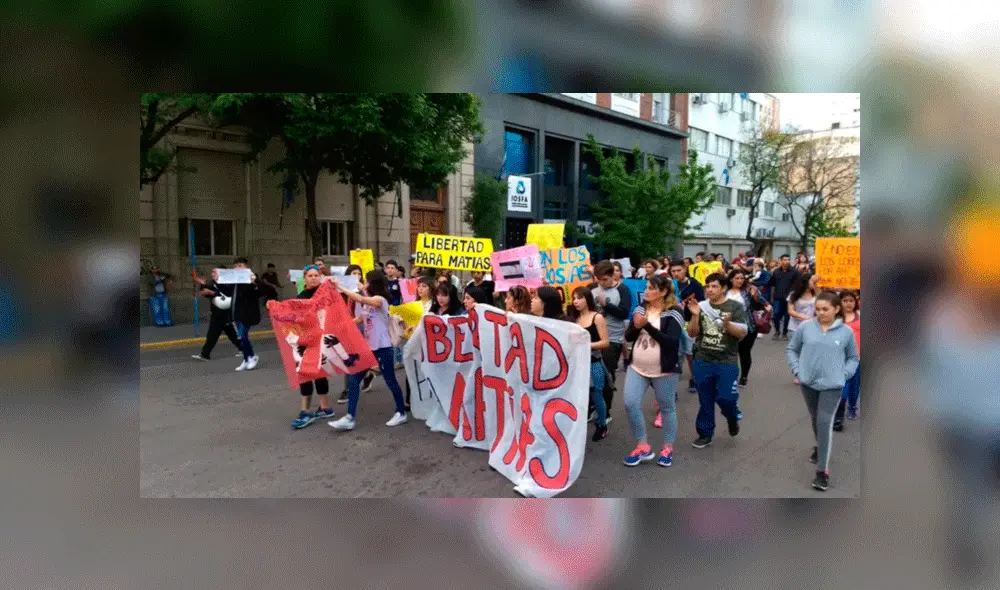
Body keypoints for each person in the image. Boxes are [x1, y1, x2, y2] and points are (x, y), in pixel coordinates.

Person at [786, 291, 859, 492]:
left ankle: (822, 472)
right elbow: (792, 349)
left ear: (837, 309)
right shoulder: (805, 327)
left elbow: (853, 357)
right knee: (814, 417)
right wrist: (797, 370)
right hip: (808, 383)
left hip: (832, 386)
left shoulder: (845, 332)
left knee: (824, 422)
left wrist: (844, 374)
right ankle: (820, 447)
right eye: (817, 309)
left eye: (825, 309)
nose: (820, 313)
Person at [329, 269, 409, 431]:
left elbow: (358, 297)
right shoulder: (367, 304)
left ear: (373, 284)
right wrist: (338, 327)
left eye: (366, 281)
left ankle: (401, 412)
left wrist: (340, 287)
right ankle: (350, 417)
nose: (364, 284)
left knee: (390, 380)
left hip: (383, 348)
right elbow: (358, 319)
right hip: (368, 349)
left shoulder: (380, 300)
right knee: (353, 379)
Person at [622, 274, 685, 468]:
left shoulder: (674, 311)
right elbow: (630, 336)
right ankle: (643, 446)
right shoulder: (641, 308)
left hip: (664, 370)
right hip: (638, 366)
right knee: (630, 403)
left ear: (663, 291)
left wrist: (646, 325)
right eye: (647, 287)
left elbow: (672, 342)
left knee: (667, 408)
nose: (647, 291)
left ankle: (668, 448)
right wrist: (635, 325)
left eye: (651, 288)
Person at [686, 273, 747, 449]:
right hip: (703, 359)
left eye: (714, 286)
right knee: (705, 399)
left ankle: (732, 417)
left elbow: (741, 333)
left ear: (724, 288)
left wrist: (727, 324)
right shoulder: (701, 306)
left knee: (726, 397)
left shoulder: (735, 307)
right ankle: (705, 433)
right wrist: (696, 316)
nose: (710, 290)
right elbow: (692, 333)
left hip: (726, 360)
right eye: (707, 287)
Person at [287, 266, 337, 429]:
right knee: (305, 373)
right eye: (310, 275)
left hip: (322, 338)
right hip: (307, 340)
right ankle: (305, 410)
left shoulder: (326, 293)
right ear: (305, 278)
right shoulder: (301, 297)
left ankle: (324, 408)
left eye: (317, 275)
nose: (314, 278)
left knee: (320, 373)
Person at [566, 287, 610, 442]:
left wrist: (586, 345)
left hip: (593, 363)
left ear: (588, 299)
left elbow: (605, 342)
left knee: (596, 394)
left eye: (579, 298)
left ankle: (602, 424)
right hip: (575, 364)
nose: (576, 301)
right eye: (574, 298)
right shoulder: (572, 318)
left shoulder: (597, 317)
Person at [590, 261, 631, 422]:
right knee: (591, 375)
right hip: (592, 338)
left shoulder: (622, 289)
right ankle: (594, 406)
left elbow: (623, 313)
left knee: (606, 375)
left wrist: (606, 304)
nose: (601, 282)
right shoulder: (592, 288)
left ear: (613, 275)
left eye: (605, 279)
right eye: (598, 279)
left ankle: (606, 411)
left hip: (612, 339)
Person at [726, 269, 772, 388]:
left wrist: (760, 301)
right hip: (728, 327)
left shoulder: (749, 290)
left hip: (748, 326)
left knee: (744, 353)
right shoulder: (725, 291)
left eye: (742, 278)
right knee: (731, 353)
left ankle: (744, 377)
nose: (740, 281)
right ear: (731, 279)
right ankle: (732, 376)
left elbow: (764, 303)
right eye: (737, 278)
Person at [337, 264, 374, 403]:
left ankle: (348, 389)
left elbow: (369, 303)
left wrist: (362, 289)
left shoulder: (365, 289)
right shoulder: (341, 290)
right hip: (346, 327)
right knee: (348, 357)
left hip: (362, 326)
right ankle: (366, 375)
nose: (356, 276)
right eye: (353, 273)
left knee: (354, 357)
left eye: (359, 273)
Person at [191, 269, 243, 361]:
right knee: (230, 333)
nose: (212, 274)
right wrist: (202, 284)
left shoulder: (228, 283)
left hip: (224, 312)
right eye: (212, 272)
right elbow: (205, 293)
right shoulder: (211, 283)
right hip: (217, 312)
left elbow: (228, 295)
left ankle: (205, 354)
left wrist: (212, 293)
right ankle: (243, 349)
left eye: (215, 272)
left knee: (213, 334)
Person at [670, 260, 705, 395]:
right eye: (673, 271)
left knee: (690, 353)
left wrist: (694, 305)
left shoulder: (694, 284)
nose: (676, 273)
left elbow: (701, 302)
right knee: (674, 354)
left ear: (685, 269)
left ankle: (694, 378)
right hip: (673, 322)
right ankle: (672, 388)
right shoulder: (669, 284)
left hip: (688, 322)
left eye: (678, 270)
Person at [833, 290, 861, 430]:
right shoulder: (835, 318)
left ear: (856, 302)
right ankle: (838, 418)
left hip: (858, 357)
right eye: (845, 301)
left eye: (851, 300)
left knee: (855, 387)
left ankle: (852, 406)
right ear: (840, 302)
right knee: (843, 386)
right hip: (841, 359)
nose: (848, 303)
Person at [228, 257, 262, 371]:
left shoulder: (252, 277)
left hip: (247, 313)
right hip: (236, 312)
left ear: (246, 267)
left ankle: (251, 356)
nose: (237, 268)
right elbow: (226, 291)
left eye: (240, 266)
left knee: (243, 335)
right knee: (241, 337)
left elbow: (259, 291)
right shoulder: (234, 280)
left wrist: (254, 282)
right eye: (235, 266)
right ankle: (246, 358)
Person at [768, 254, 800, 340]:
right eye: (785, 260)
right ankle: (777, 331)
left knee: (787, 316)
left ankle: (785, 333)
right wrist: (771, 297)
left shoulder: (795, 272)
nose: (787, 261)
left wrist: (796, 297)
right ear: (781, 261)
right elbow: (772, 285)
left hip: (789, 298)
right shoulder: (776, 272)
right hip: (777, 297)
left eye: (788, 260)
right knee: (775, 315)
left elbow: (798, 285)